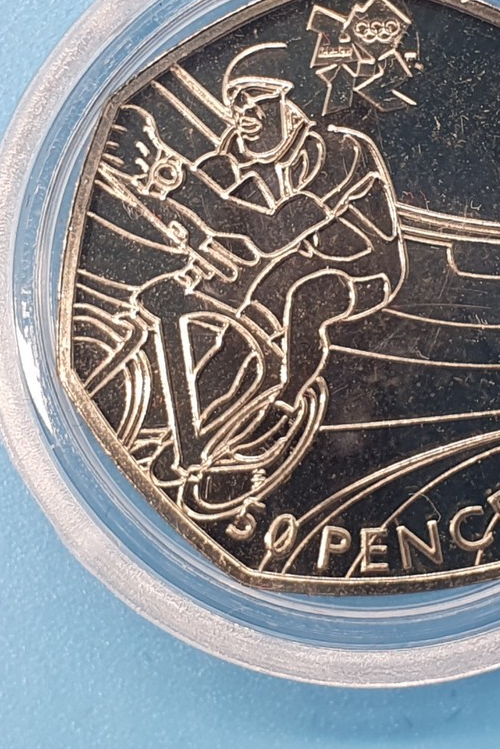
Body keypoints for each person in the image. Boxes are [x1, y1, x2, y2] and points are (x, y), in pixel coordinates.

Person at [106, 43, 407, 477]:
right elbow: (215, 217)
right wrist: (162, 198)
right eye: (235, 103)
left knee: (307, 300)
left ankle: (286, 399)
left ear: (287, 99)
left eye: (254, 99)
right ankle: (182, 436)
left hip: (366, 267)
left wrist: (178, 179)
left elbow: (273, 232)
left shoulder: (339, 150)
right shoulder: (237, 150)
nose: (242, 112)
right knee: (237, 337)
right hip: (296, 259)